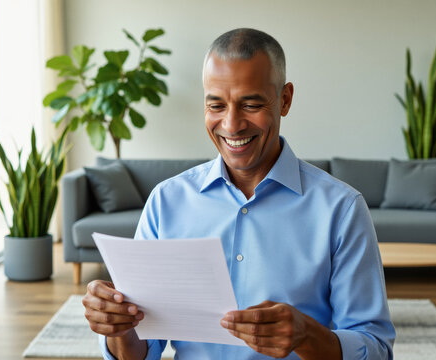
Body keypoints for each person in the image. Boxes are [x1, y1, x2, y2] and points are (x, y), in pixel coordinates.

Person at [83, 28, 395, 360]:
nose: (231, 125)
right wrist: (118, 327)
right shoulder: (166, 203)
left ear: (285, 99)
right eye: (216, 105)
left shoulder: (342, 210)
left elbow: (375, 349)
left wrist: (307, 336)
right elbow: (140, 351)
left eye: (251, 104)